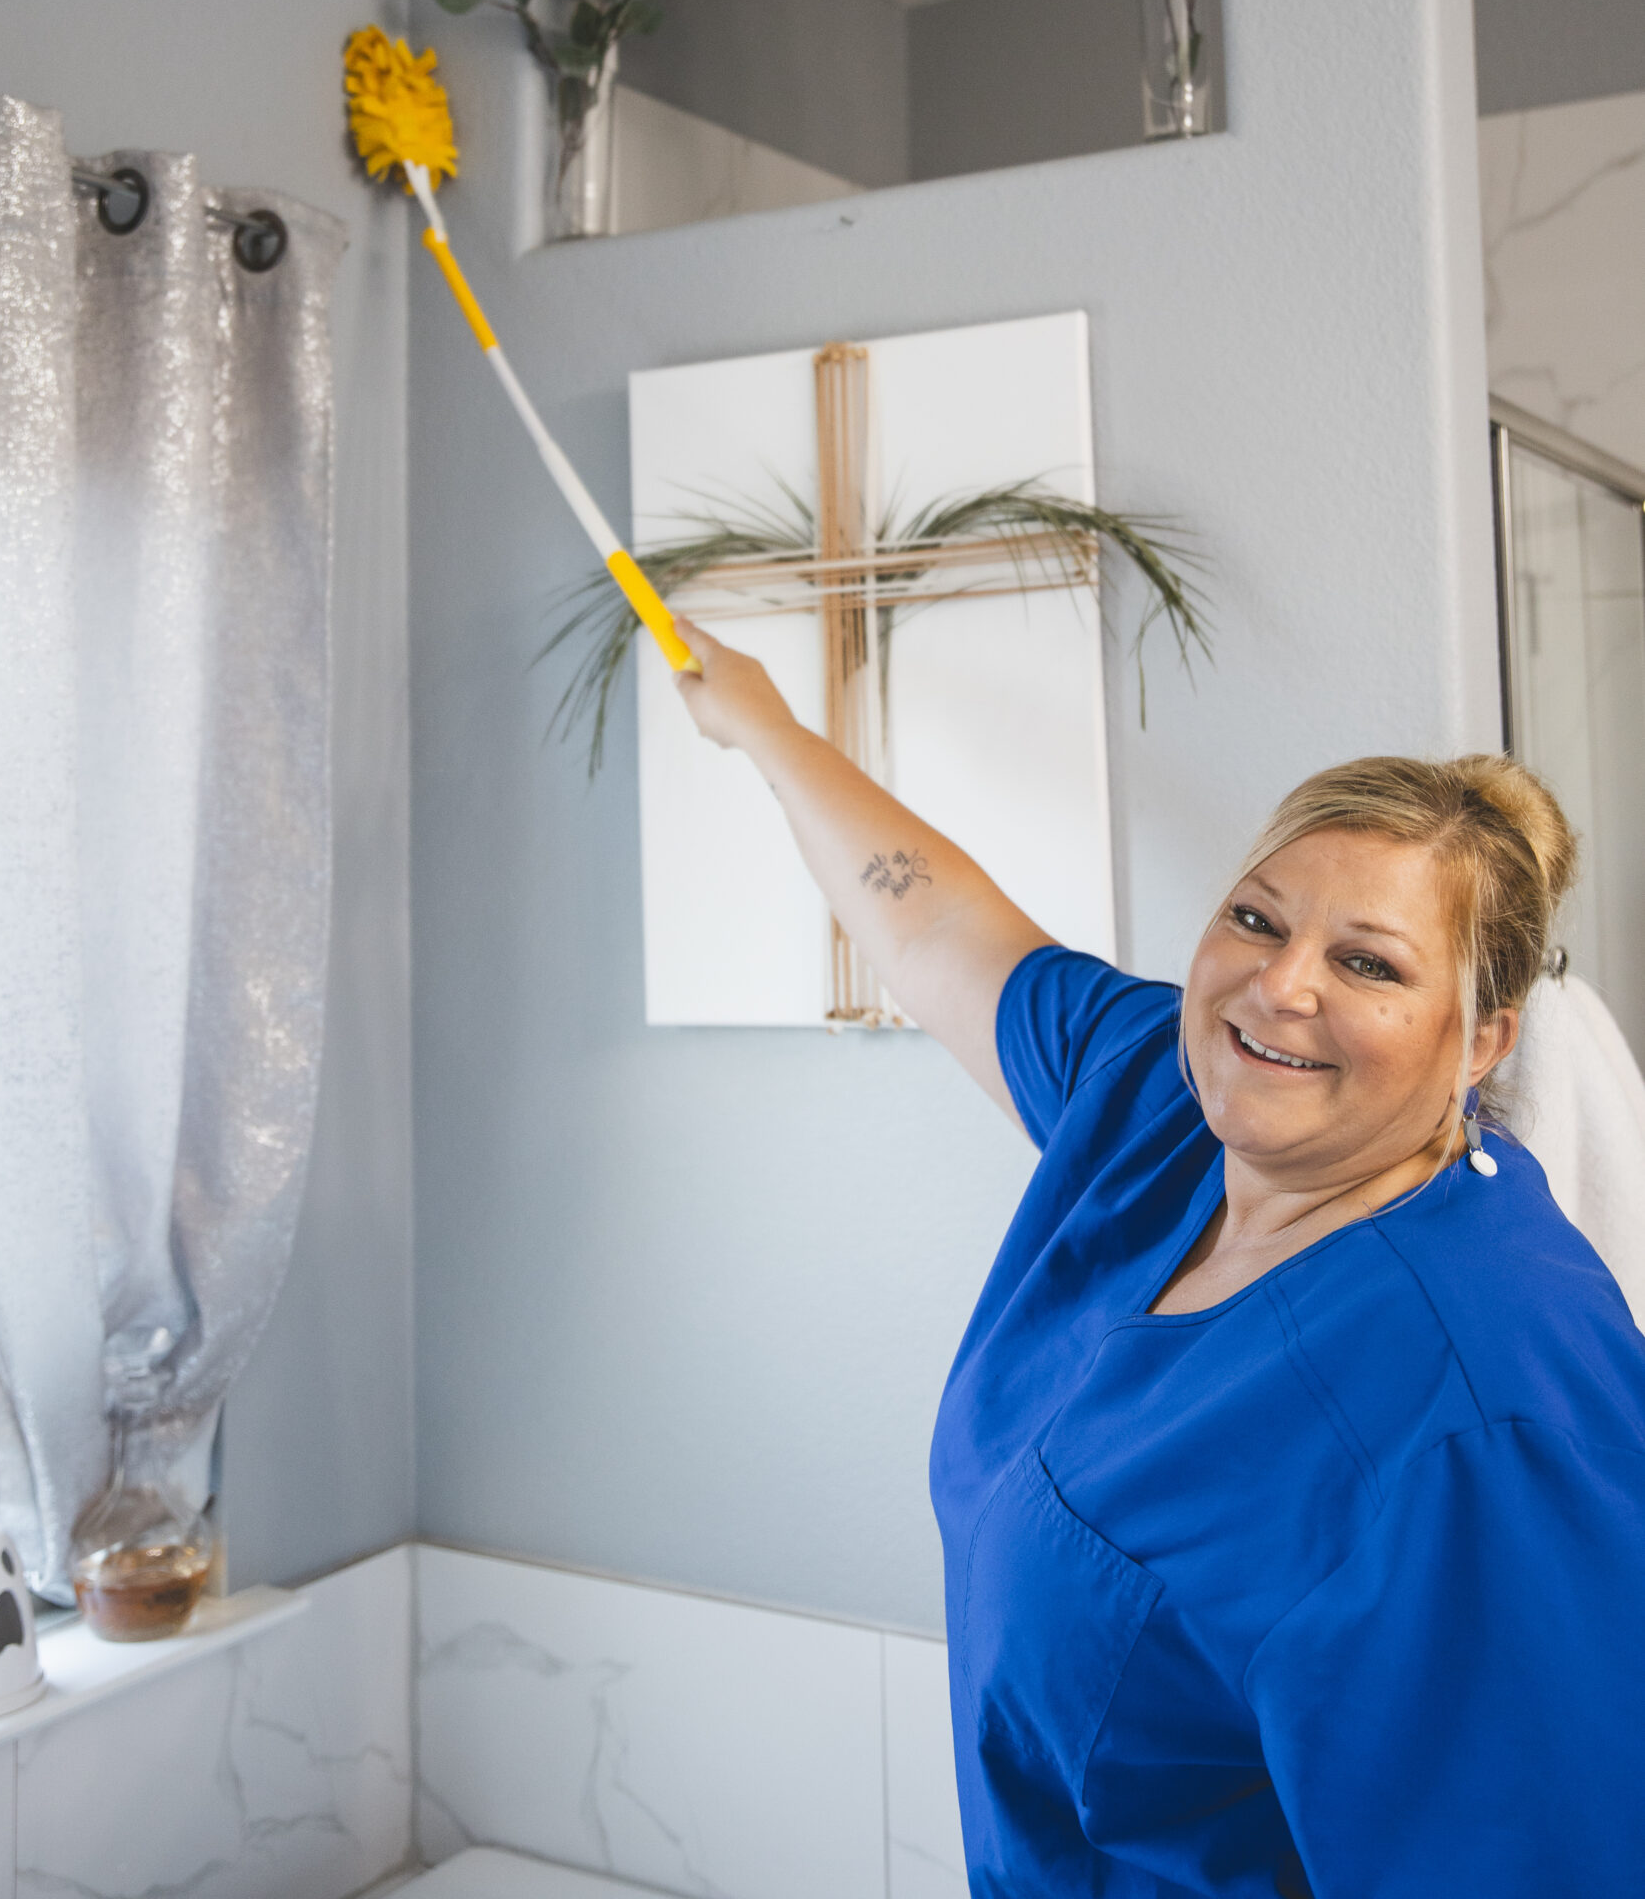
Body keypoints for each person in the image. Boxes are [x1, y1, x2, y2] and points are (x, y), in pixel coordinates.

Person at [676, 623, 1645, 1898]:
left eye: (1367, 962)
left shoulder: (1489, 1403)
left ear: (1482, 1041)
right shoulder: (1163, 1099)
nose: (1278, 986)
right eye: (1256, 917)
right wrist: (765, 726)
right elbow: (931, 922)